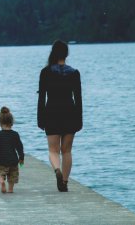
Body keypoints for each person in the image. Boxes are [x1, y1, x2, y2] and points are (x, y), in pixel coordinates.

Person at [37, 40, 82, 192]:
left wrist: (40, 119)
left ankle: (57, 169)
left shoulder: (45, 72)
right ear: (67, 54)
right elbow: (78, 99)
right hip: (70, 114)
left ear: (53, 53)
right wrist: (79, 120)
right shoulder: (74, 73)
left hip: (51, 113)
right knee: (67, 151)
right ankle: (64, 182)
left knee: (53, 150)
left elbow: (41, 98)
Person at [0, 106, 25, 193]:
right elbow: (19, 147)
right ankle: (10, 189)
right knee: (12, 177)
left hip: (1, 160)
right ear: (12, 122)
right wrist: (21, 158)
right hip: (13, 160)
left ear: (0, 122)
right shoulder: (15, 134)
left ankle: (2, 182)